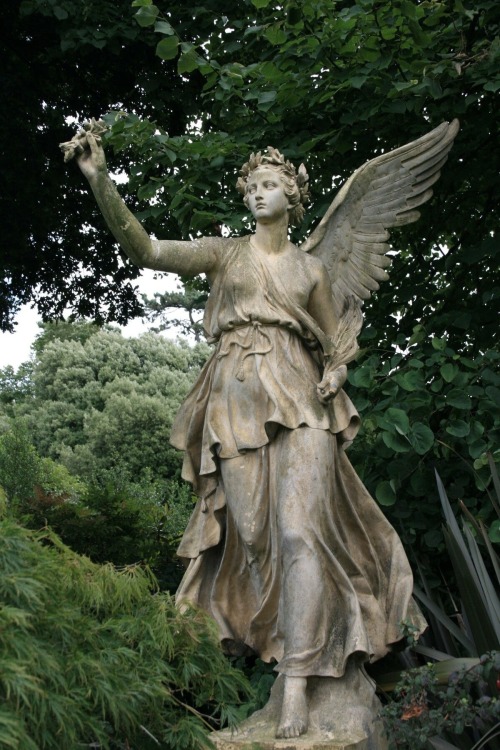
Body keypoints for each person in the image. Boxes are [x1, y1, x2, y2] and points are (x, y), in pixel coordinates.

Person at [73, 132, 424, 740]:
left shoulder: (313, 266)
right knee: (257, 539)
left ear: (292, 193)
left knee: (299, 532)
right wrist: (101, 181)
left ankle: (296, 690)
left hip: (300, 392)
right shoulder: (226, 254)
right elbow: (148, 250)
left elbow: (338, 343)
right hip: (235, 392)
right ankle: (282, 665)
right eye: (252, 188)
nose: (258, 195)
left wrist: (336, 371)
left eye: (269, 186)